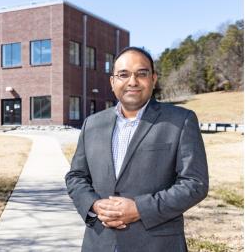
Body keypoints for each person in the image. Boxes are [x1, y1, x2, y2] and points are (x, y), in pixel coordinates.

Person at [65, 46, 209, 252]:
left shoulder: (181, 120)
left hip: (157, 244)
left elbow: (195, 183)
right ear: (112, 81)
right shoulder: (92, 124)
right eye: (123, 74)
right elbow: (76, 176)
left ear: (154, 79)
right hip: (99, 243)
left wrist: (140, 209)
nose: (132, 81)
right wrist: (94, 205)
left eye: (141, 74)